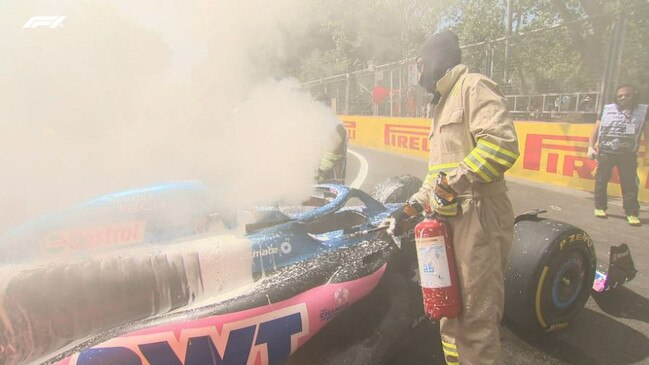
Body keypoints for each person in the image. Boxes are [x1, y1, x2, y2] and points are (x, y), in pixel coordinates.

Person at [390, 30, 519, 365]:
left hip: (479, 218)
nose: (417, 76)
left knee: (476, 320)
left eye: (419, 65)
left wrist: (456, 182)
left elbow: (501, 145)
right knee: (446, 308)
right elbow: (438, 174)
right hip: (446, 221)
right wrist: (412, 206)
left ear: (435, 60)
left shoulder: (473, 87)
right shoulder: (442, 103)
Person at [588, 85, 649, 226]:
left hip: (628, 155)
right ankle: (600, 207)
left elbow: (647, 133)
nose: (623, 98)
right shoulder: (606, 110)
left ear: (634, 95)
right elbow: (595, 131)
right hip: (606, 153)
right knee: (601, 181)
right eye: (620, 96)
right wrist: (590, 147)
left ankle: (632, 213)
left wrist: (648, 153)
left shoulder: (643, 111)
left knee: (629, 184)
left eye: (627, 95)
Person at [314, 93, 348, 184]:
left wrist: (323, 169)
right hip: (323, 169)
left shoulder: (334, 123)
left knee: (331, 195)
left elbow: (338, 144)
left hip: (331, 172)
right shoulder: (321, 121)